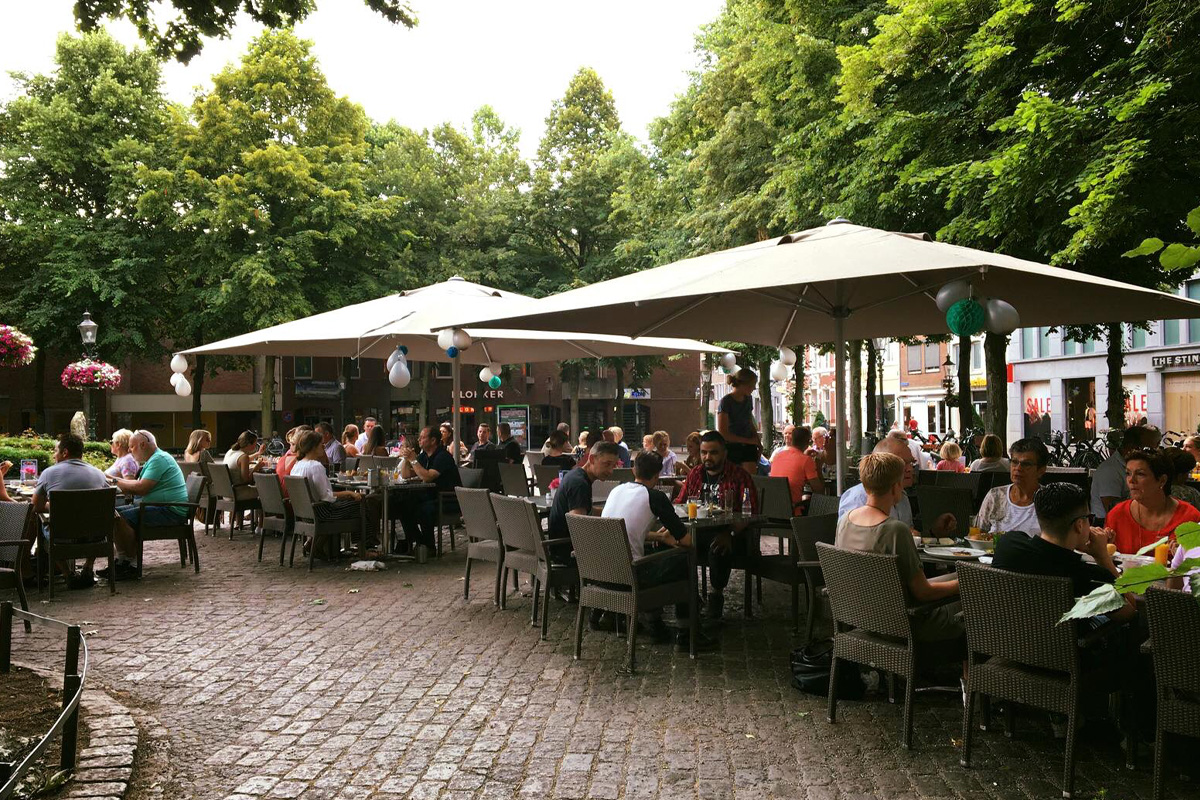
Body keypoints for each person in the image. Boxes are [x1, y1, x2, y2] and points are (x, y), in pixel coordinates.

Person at [836, 451, 963, 643]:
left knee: (959, 575)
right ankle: (973, 670)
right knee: (976, 596)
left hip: (862, 615)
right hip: (903, 624)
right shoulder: (895, 530)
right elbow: (923, 592)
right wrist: (965, 585)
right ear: (896, 487)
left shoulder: (845, 520)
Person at [602, 450, 709, 650]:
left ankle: (655, 625)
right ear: (658, 474)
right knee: (684, 560)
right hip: (632, 575)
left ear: (634, 469)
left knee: (653, 555)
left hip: (603, 571)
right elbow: (685, 540)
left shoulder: (617, 490)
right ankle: (687, 633)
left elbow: (626, 530)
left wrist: (660, 537)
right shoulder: (655, 497)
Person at [992, 483, 1134, 623]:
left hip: (1001, 640)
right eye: (1088, 519)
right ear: (1079, 525)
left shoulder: (1007, 544)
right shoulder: (1088, 576)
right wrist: (1102, 556)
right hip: (1066, 644)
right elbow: (1130, 612)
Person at [673, 431, 759, 618]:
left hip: (734, 533)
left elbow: (750, 513)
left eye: (713, 453)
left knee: (718, 547)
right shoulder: (696, 473)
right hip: (698, 532)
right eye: (704, 452)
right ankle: (690, 597)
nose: (707, 457)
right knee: (676, 545)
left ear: (724, 453)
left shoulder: (739, 476)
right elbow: (680, 503)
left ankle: (716, 599)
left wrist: (730, 533)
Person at [104, 430, 189, 580]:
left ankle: (132, 565)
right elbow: (138, 483)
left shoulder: (159, 459)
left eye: (132, 446)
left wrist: (113, 480)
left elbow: (142, 488)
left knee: (119, 516)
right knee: (113, 513)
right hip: (161, 507)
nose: (129, 450)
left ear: (142, 444)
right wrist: (111, 479)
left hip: (169, 511)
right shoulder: (155, 458)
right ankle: (122, 560)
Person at [32, 434, 111, 588]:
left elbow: (36, 506)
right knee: (93, 520)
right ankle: (88, 567)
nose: (54, 455)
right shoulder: (99, 474)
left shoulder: (49, 473)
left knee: (42, 525)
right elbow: (106, 505)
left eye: (56, 451)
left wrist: (54, 505)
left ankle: (68, 574)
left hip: (62, 538)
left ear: (65, 452)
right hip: (95, 537)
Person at [290, 430, 376, 554]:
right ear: (313, 447)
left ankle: (314, 544)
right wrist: (349, 494)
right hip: (322, 512)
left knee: (355, 504)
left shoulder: (297, 466)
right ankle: (364, 547)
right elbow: (326, 496)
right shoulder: (315, 466)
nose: (323, 447)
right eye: (321, 444)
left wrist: (348, 495)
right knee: (361, 505)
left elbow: (321, 493)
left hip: (305, 513)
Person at [1105, 448, 1200, 554]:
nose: (1131, 480)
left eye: (1140, 474)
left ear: (1162, 480)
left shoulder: (1189, 517)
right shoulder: (1117, 514)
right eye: (1128, 473)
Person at [399, 426, 462, 552]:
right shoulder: (424, 456)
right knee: (402, 505)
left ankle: (428, 546)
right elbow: (406, 475)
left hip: (448, 500)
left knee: (423, 509)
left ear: (433, 440)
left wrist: (413, 460)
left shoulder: (443, 456)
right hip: (430, 497)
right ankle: (420, 542)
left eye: (422, 437)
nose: (419, 440)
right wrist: (407, 460)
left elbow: (427, 477)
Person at [548, 441, 621, 543]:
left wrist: (614, 514)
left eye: (613, 466)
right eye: (607, 464)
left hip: (560, 544)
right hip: (568, 550)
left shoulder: (576, 475)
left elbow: (585, 511)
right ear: (592, 459)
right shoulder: (580, 484)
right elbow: (579, 525)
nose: (610, 471)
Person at [838, 432, 916, 528]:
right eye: (903, 463)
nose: (910, 469)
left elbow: (909, 529)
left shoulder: (902, 496)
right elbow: (851, 539)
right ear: (882, 465)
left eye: (911, 463)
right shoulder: (858, 498)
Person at [976, 437, 1049, 537]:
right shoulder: (995, 496)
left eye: (1026, 464)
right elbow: (978, 534)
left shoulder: (1049, 501)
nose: (1018, 468)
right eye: (1014, 462)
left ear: (1041, 470)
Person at [1090, 425, 1161, 522]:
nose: (1153, 453)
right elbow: (1112, 508)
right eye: (1148, 449)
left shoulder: (1139, 465)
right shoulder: (1110, 470)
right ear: (1133, 447)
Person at [717, 368, 762, 475]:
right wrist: (750, 441)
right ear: (744, 385)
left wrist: (757, 441)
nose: (754, 388)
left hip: (748, 445)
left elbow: (749, 421)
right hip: (732, 447)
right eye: (752, 385)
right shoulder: (726, 402)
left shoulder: (748, 399)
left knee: (750, 480)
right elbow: (723, 433)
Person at [770, 425, 825, 512]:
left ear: (792, 440)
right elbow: (819, 490)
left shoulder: (777, 456)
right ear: (807, 442)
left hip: (773, 508)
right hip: (793, 511)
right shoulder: (806, 460)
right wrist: (818, 466)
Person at [222, 431, 263, 514]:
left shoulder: (231, 452)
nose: (256, 445)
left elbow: (242, 460)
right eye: (255, 443)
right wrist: (256, 467)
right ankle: (261, 524)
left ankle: (239, 522)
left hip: (226, 493)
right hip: (238, 492)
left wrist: (258, 453)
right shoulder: (243, 457)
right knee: (264, 491)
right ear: (249, 444)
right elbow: (246, 480)